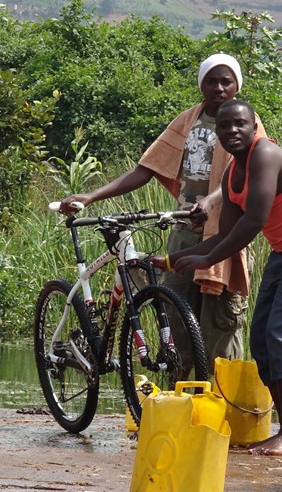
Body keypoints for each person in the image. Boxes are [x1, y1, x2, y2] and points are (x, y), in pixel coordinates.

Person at [157, 99, 282, 456]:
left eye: (239, 124)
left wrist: (205, 258)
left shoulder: (266, 155)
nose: (232, 131)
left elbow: (253, 222)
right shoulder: (232, 174)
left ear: (253, 128)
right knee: (261, 340)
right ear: (218, 135)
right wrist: (171, 260)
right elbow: (222, 235)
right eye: (224, 126)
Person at [60, 54, 265, 376]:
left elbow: (243, 171)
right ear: (201, 84)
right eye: (212, 80)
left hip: (227, 233)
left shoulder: (243, 120)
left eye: (227, 81)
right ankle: (178, 402)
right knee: (176, 318)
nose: (219, 87)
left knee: (220, 326)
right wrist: (91, 196)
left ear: (237, 84)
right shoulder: (188, 121)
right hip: (185, 229)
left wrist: (210, 202)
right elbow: (147, 169)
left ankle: (223, 407)